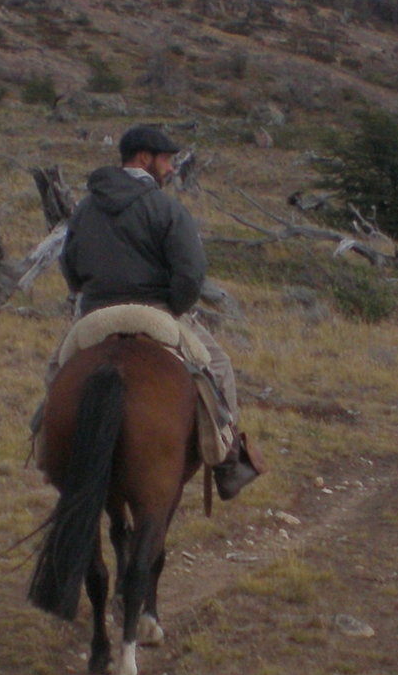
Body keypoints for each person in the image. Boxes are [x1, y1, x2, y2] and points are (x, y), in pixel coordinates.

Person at [53, 123, 261, 499]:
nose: (169, 168)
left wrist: (94, 296)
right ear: (144, 158)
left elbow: (69, 268)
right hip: (155, 311)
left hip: (95, 314)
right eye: (165, 159)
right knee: (219, 367)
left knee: (56, 375)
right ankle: (228, 461)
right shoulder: (165, 207)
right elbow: (191, 272)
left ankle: (48, 450)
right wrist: (174, 310)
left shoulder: (85, 209)